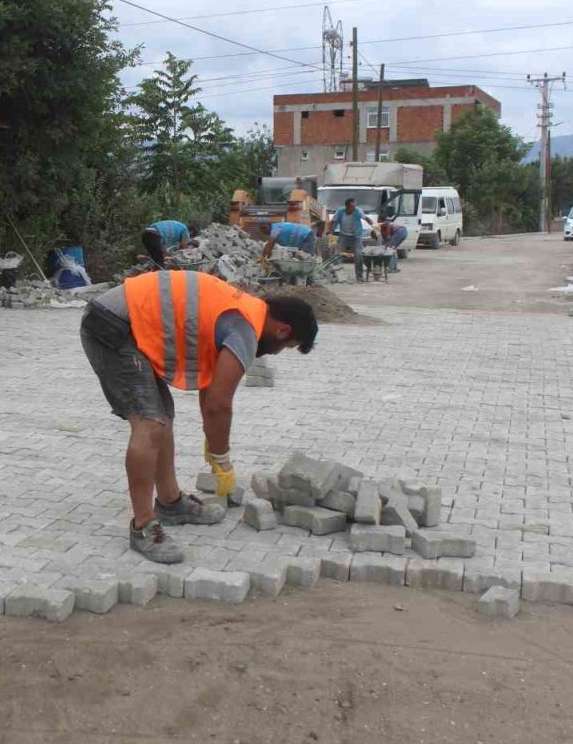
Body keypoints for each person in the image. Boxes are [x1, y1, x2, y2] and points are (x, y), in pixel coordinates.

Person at [80, 272, 318, 563]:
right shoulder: (245, 328)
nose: (278, 352)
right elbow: (219, 404)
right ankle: (143, 526)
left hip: (128, 322)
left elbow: (211, 390)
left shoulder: (243, 312)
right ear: (282, 330)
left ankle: (170, 503)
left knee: (162, 417)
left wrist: (213, 440)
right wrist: (221, 458)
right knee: (150, 423)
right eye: (286, 346)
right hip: (112, 326)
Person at [331, 199, 373, 281]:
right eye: (352, 207)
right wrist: (331, 234)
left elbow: (366, 218)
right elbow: (332, 222)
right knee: (337, 254)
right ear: (347, 207)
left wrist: (373, 225)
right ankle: (338, 275)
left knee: (358, 255)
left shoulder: (358, 211)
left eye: (354, 206)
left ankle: (359, 276)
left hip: (356, 236)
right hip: (343, 234)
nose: (354, 208)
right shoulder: (340, 211)